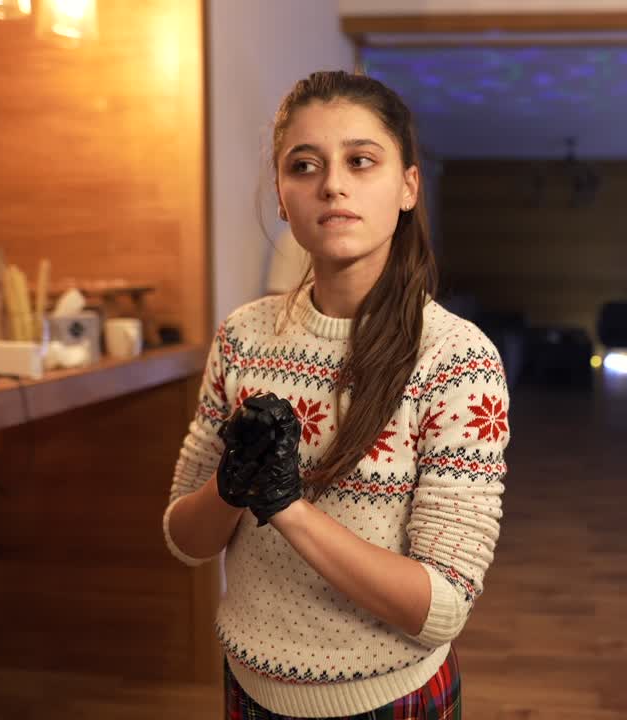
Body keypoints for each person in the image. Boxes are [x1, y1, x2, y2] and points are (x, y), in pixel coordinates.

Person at [162, 70, 511, 719]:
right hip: (248, 685)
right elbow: (185, 537)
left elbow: (442, 605)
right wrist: (231, 485)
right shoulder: (243, 338)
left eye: (360, 160)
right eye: (305, 165)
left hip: (389, 701)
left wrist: (285, 505)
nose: (332, 184)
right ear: (281, 196)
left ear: (408, 186)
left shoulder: (457, 360)